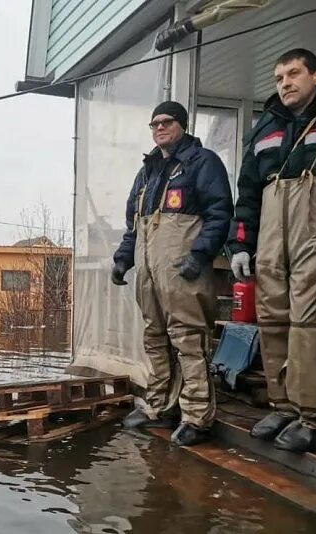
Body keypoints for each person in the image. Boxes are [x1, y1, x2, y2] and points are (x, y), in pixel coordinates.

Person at [226, 49, 316, 452]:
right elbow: (249, 190)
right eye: (278, 77)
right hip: (274, 235)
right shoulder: (268, 126)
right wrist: (240, 242)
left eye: (294, 73)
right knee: (273, 320)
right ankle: (285, 406)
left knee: (313, 322)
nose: (285, 83)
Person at [111, 101, 233, 447]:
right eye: (154, 124)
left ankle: (197, 416)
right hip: (150, 272)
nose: (159, 128)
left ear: (181, 125)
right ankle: (159, 406)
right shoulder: (147, 173)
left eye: (166, 122)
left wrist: (200, 254)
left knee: (189, 340)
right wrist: (123, 259)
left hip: (183, 270)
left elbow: (220, 212)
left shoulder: (202, 162)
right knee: (155, 338)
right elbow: (133, 225)